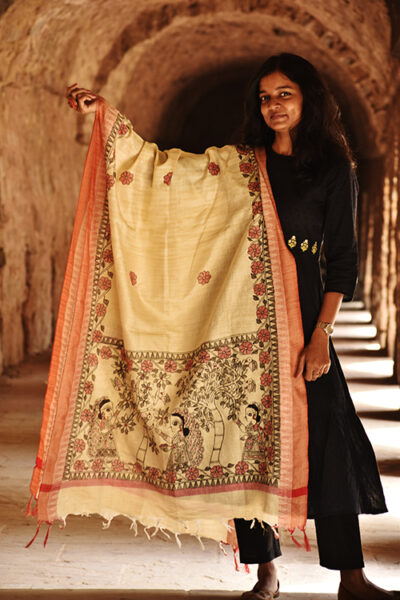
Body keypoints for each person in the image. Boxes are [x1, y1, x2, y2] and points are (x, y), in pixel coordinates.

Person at [64, 53, 396, 600]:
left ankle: (352, 577)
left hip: (306, 315)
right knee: (244, 442)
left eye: (285, 94)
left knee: (331, 440)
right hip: (240, 317)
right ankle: (266, 573)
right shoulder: (243, 165)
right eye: (265, 97)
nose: (275, 106)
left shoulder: (335, 168)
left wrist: (322, 334)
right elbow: (165, 173)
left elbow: (343, 259)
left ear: (307, 98)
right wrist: (111, 120)